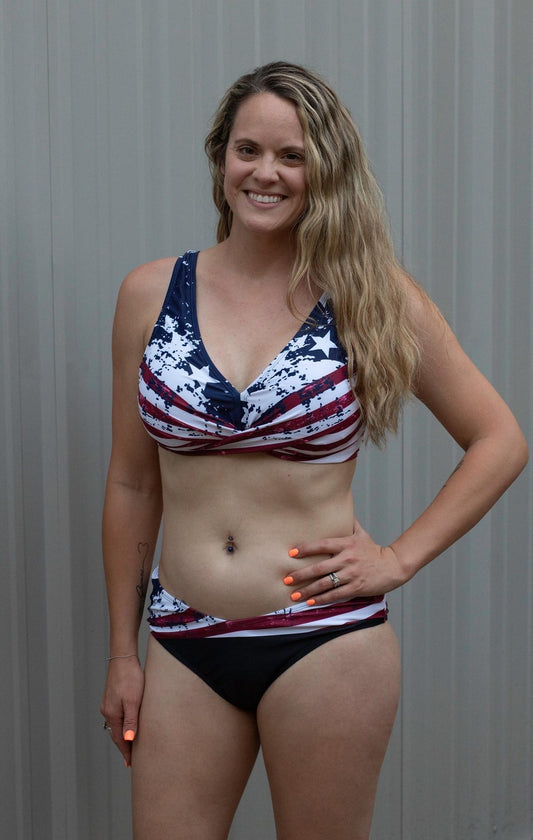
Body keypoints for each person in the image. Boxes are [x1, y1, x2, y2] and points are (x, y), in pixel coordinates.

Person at [100, 61, 528, 840]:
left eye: (291, 157)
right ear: (219, 157)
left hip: (323, 642)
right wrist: (121, 654)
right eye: (247, 150)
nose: (265, 173)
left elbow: (498, 440)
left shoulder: (368, 294)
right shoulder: (150, 293)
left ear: (322, 171)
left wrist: (397, 558)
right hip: (184, 641)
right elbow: (132, 484)